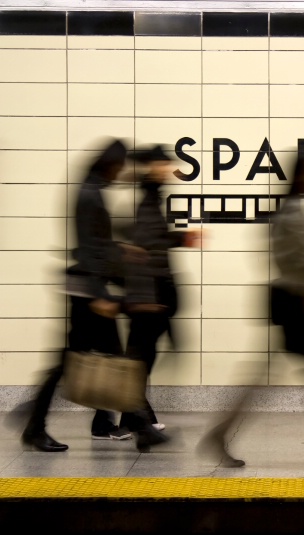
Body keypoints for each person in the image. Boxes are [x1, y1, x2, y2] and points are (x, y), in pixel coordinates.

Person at [197, 150, 304, 467]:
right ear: (302, 176)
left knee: (277, 373)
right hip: (290, 300)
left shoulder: (286, 211)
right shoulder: (292, 214)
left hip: (284, 298)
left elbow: (291, 252)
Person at [21, 139, 133, 452]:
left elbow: (95, 245)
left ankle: (107, 422)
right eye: (120, 167)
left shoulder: (91, 189)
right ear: (110, 164)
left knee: (109, 354)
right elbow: (88, 250)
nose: (121, 173)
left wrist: (122, 252)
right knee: (72, 361)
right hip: (87, 292)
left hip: (90, 287)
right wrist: (100, 295)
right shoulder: (89, 194)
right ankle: (34, 424)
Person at [118, 144, 200, 447]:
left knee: (139, 358)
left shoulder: (153, 197)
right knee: (137, 359)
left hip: (154, 293)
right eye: (162, 164)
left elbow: (152, 241)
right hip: (148, 294)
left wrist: (180, 237)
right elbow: (141, 251)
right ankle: (138, 423)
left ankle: (132, 419)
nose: (168, 169)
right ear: (149, 167)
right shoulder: (146, 200)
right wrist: (144, 298)